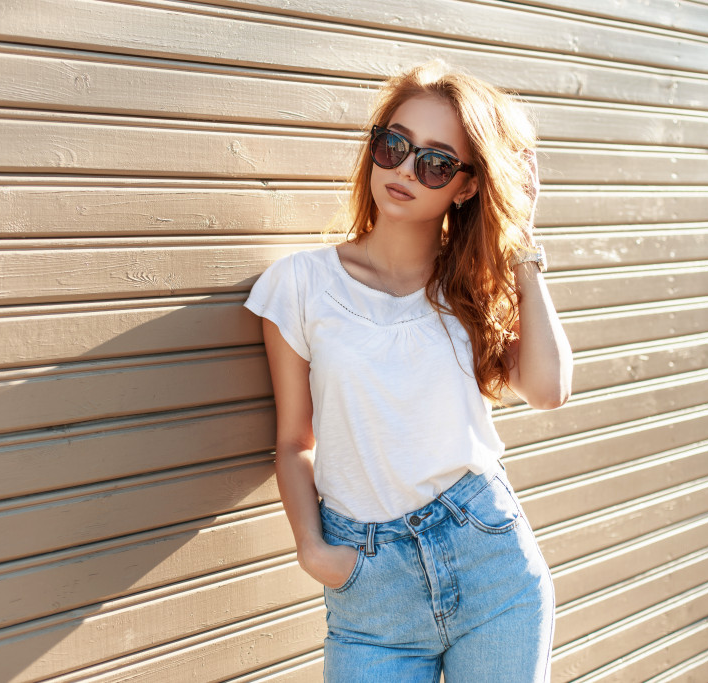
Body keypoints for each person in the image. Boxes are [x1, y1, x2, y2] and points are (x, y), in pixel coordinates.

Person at [244, 60, 573, 682]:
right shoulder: (301, 285)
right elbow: (294, 441)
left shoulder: (469, 286)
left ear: (467, 186)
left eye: (436, 162)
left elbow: (549, 389)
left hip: (490, 562)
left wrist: (523, 246)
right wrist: (314, 551)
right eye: (394, 145)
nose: (403, 171)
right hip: (372, 589)